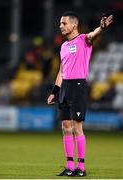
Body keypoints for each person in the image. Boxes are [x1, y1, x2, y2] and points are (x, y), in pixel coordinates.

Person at [47, 11, 113, 177]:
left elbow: (93, 35)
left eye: (64, 23)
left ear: (73, 25)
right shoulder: (63, 46)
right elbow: (61, 71)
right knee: (65, 127)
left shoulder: (84, 40)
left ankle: (81, 167)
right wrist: (54, 91)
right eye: (60, 23)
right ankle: (69, 167)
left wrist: (101, 28)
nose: (60, 26)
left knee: (77, 127)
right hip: (65, 87)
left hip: (78, 86)